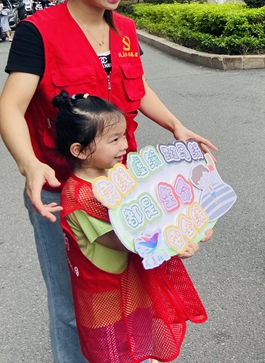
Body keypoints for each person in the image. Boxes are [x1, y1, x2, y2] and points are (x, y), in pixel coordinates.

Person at [0, 0, 215, 363]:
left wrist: (176, 125)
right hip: (63, 188)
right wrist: (29, 165)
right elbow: (10, 107)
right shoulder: (38, 32)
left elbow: (137, 87)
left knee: (128, 285)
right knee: (72, 298)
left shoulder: (125, 30)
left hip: (122, 184)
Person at [52, 91, 208, 363]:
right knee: (114, 352)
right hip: (105, 296)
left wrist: (194, 222)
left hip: (133, 284)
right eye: (114, 139)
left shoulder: (117, 173)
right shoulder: (79, 196)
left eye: (123, 135)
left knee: (140, 343)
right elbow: (128, 239)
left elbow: (154, 209)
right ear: (79, 150)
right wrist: (176, 239)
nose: (124, 145)